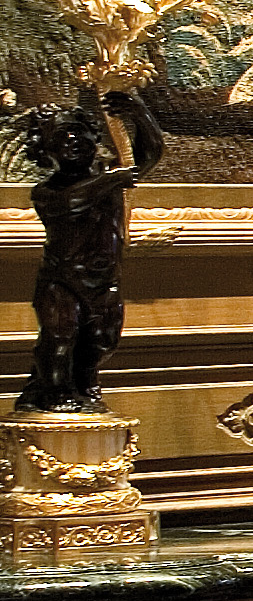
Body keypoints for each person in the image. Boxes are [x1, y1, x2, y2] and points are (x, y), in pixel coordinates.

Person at [21, 89, 159, 416]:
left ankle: (81, 385)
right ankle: (53, 392)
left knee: (101, 341)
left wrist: (140, 114)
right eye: (61, 136)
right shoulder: (47, 191)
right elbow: (73, 201)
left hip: (104, 279)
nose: (73, 140)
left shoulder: (108, 176)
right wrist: (113, 180)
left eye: (78, 132)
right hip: (62, 281)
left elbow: (149, 156)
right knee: (59, 338)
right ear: (45, 151)